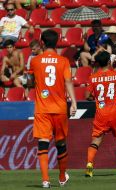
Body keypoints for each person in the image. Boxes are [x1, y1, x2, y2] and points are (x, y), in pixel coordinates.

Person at [28, 29, 77, 188]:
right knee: (61, 144)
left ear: (42, 42)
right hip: (60, 108)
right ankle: (62, 177)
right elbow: (69, 82)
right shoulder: (63, 61)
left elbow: (29, 82)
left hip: (42, 108)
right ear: (57, 42)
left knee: (43, 143)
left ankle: (45, 180)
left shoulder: (35, 61)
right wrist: (74, 102)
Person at [84, 42, 116, 177]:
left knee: (96, 141)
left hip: (101, 113)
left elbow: (87, 96)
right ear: (108, 62)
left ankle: (89, 164)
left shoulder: (93, 78)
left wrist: (97, 98)